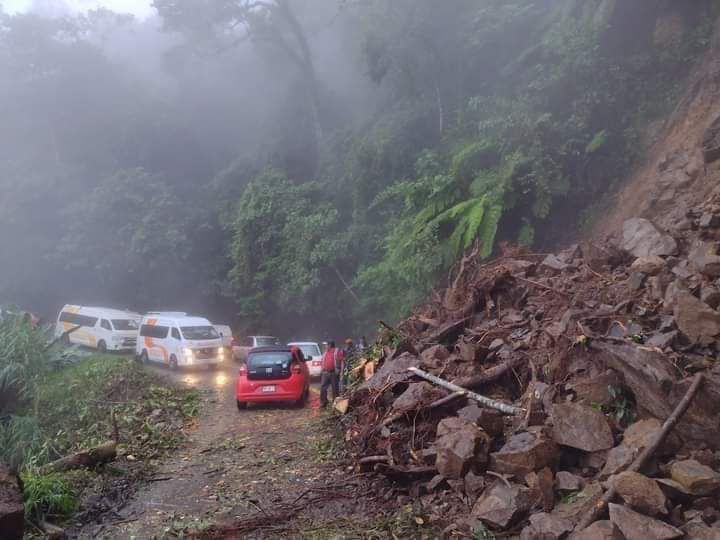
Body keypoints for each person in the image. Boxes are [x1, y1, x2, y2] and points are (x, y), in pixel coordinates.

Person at [320, 340, 343, 407]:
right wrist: (322, 371)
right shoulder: (325, 352)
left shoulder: (336, 352)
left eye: (326, 345)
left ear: (330, 345)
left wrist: (340, 371)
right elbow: (323, 361)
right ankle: (323, 402)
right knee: (323, 387)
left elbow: (342, 361)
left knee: (335, 388)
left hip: (333, 373)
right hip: (325, 372)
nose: (325, 346)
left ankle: (335, 403)